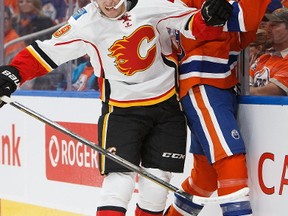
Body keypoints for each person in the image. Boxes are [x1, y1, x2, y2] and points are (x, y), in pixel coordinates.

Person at [0, 0, 234, 215]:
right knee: (119, 182)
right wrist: (14, 75)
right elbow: (46, 52)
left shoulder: (153, 5)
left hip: (166, 107)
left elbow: (194, 26)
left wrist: (210, 17)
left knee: (156, 187)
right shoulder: (86, 23)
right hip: (121, 111)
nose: (109, 3)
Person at [164, 0, 270, 215]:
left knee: (206, 176)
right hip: (203, 80)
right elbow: (241, 18)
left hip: (220, 81)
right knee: (230, 159)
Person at [250, 7, 288, 96]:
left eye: (274, 25)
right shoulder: (263, 58)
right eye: (268, 24)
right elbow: (243, 85)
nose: (268, 29)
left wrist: (246, 90)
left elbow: (270, 92)